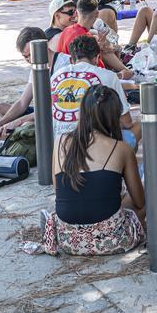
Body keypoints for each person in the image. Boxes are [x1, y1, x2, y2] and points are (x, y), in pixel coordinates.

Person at [42, 86, 146, 256]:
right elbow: (140, 202)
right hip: (113, 239)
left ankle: (56, 222)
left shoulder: (60, 141)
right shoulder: (122, 149)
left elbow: (58, 191)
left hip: (67, 240)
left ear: (82, 111)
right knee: (148, 188)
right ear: (114, 115)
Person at [50, 35, 135, 144]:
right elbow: (127, 122)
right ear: (97, 58)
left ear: (71, 60)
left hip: (58, 146)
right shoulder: (109, 76)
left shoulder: (55, 76)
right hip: (94, 146)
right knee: (138, 127)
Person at [0, 27, 49, 140]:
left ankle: (5, 141)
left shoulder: (60, 66)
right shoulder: (35, 68)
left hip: (51, 114)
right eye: (25, 57)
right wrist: (0, 124)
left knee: (27, 124)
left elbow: (52, 110)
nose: (30, 60)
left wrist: (18, 121)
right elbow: (22, 103)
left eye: (31, 54)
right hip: (37, 111)